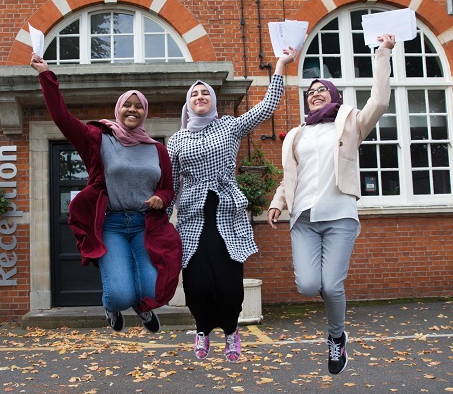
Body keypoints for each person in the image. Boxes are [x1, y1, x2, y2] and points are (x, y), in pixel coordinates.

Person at [267, 34, 396, 375]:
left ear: (334, 95)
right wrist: (278, 203)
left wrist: (383, 53)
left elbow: (380, 101)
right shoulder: (298, 134)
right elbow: (291, 176)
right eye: (310, 92)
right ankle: (333, 315)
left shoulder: (350, 124)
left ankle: (336, 338)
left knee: (331, 285)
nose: (315, 95)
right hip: (304, 220)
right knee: (309, 285)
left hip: (339, 216)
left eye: (321, 90)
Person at [30, 53, 182, 334]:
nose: (133, 110)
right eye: (128, 105)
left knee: (154, 289)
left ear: (145, 112)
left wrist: (162, 197)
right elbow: (62, 118)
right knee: (120, 294)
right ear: (118, 109)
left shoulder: (157, 149)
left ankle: (143, 307)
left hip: (145, 224)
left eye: (139, 106)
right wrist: (46, 76)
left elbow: (169, 188)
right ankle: (112, 307)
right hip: (111, 224)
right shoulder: (98, 139)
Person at [167, 47, 297, 362]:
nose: (200, 96)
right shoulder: (176, 140)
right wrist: (156, 217)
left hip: (226, 213)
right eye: (194, 94)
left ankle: (230, 331)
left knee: (228, 285)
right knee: (196, 286)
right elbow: (170, 185)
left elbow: (267, 107)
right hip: (192, 218)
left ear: (212, 98)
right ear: (188, 103)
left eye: (204, 93)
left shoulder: (229, 126)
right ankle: (201, 330)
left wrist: (280, 64)